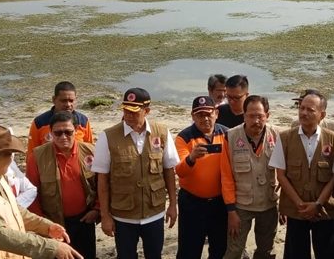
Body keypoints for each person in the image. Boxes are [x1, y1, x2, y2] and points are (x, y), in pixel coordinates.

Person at [0, 124, 82, 259]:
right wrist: (51, 247)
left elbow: (13, 209)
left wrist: (45, 226)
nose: (12, 159)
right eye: (9, 154)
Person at [91, 88, 179, 259]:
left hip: (154, 213)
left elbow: (169, 171)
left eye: (134, 111)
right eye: (125, 110)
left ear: (147, 111)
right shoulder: (107, 137)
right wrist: (105, 216)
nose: (128, 115)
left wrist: (173, 206)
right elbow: (102, 180)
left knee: (154, 255)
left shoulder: (161, 132)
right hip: (123, 216)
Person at [269, 90, 334, 259]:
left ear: (322, 114)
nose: (304, 113)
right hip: (296, 212)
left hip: (324, 210)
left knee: (326, 253)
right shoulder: (285, 138)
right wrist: (300, 204)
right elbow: (281, 175)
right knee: (296, 253)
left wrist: (318, 204)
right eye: (301, 108)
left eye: (310, 110)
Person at [27, 111, 99, 259]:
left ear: (77, 130)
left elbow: (102, 185)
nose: (63, 137)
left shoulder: (90, 151)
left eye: (68, 132)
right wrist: (43, 224)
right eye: (58, 133)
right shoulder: (37, 156)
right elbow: (30, 194)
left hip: (84, 221)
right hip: (53, 222)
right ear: (51, 133)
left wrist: (97, 210)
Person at [220, 95, 280, 259]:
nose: (256, 121)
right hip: (241, 207)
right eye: (251, 116)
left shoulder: (277, 136)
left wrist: (285, 207)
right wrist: (231, 211)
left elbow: (284, 174)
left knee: (266, 251)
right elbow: (226, 177)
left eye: (260, 116)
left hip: (268, 205)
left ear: (267, 115)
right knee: (234, 251)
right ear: (244, 115)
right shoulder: (230, 137)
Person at [175, 96, 229, 259]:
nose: (205, 118)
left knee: (220, 248)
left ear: (216, 113)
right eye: (199, 115)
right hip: (192, 203)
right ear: (193, 116)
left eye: (208, 114)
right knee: (189, 249)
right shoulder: (184, 137)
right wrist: (191, 158)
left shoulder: (227, 134)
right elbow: (180, 171)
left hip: (220, 203)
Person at [27, 81, 94, 160]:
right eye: (63, 100)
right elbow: (31, 154)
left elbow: (90, 150)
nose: (68, 104)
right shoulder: (39, 123)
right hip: (49, 168)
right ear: (54, 100)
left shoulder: (83, 122)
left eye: (71, 101)